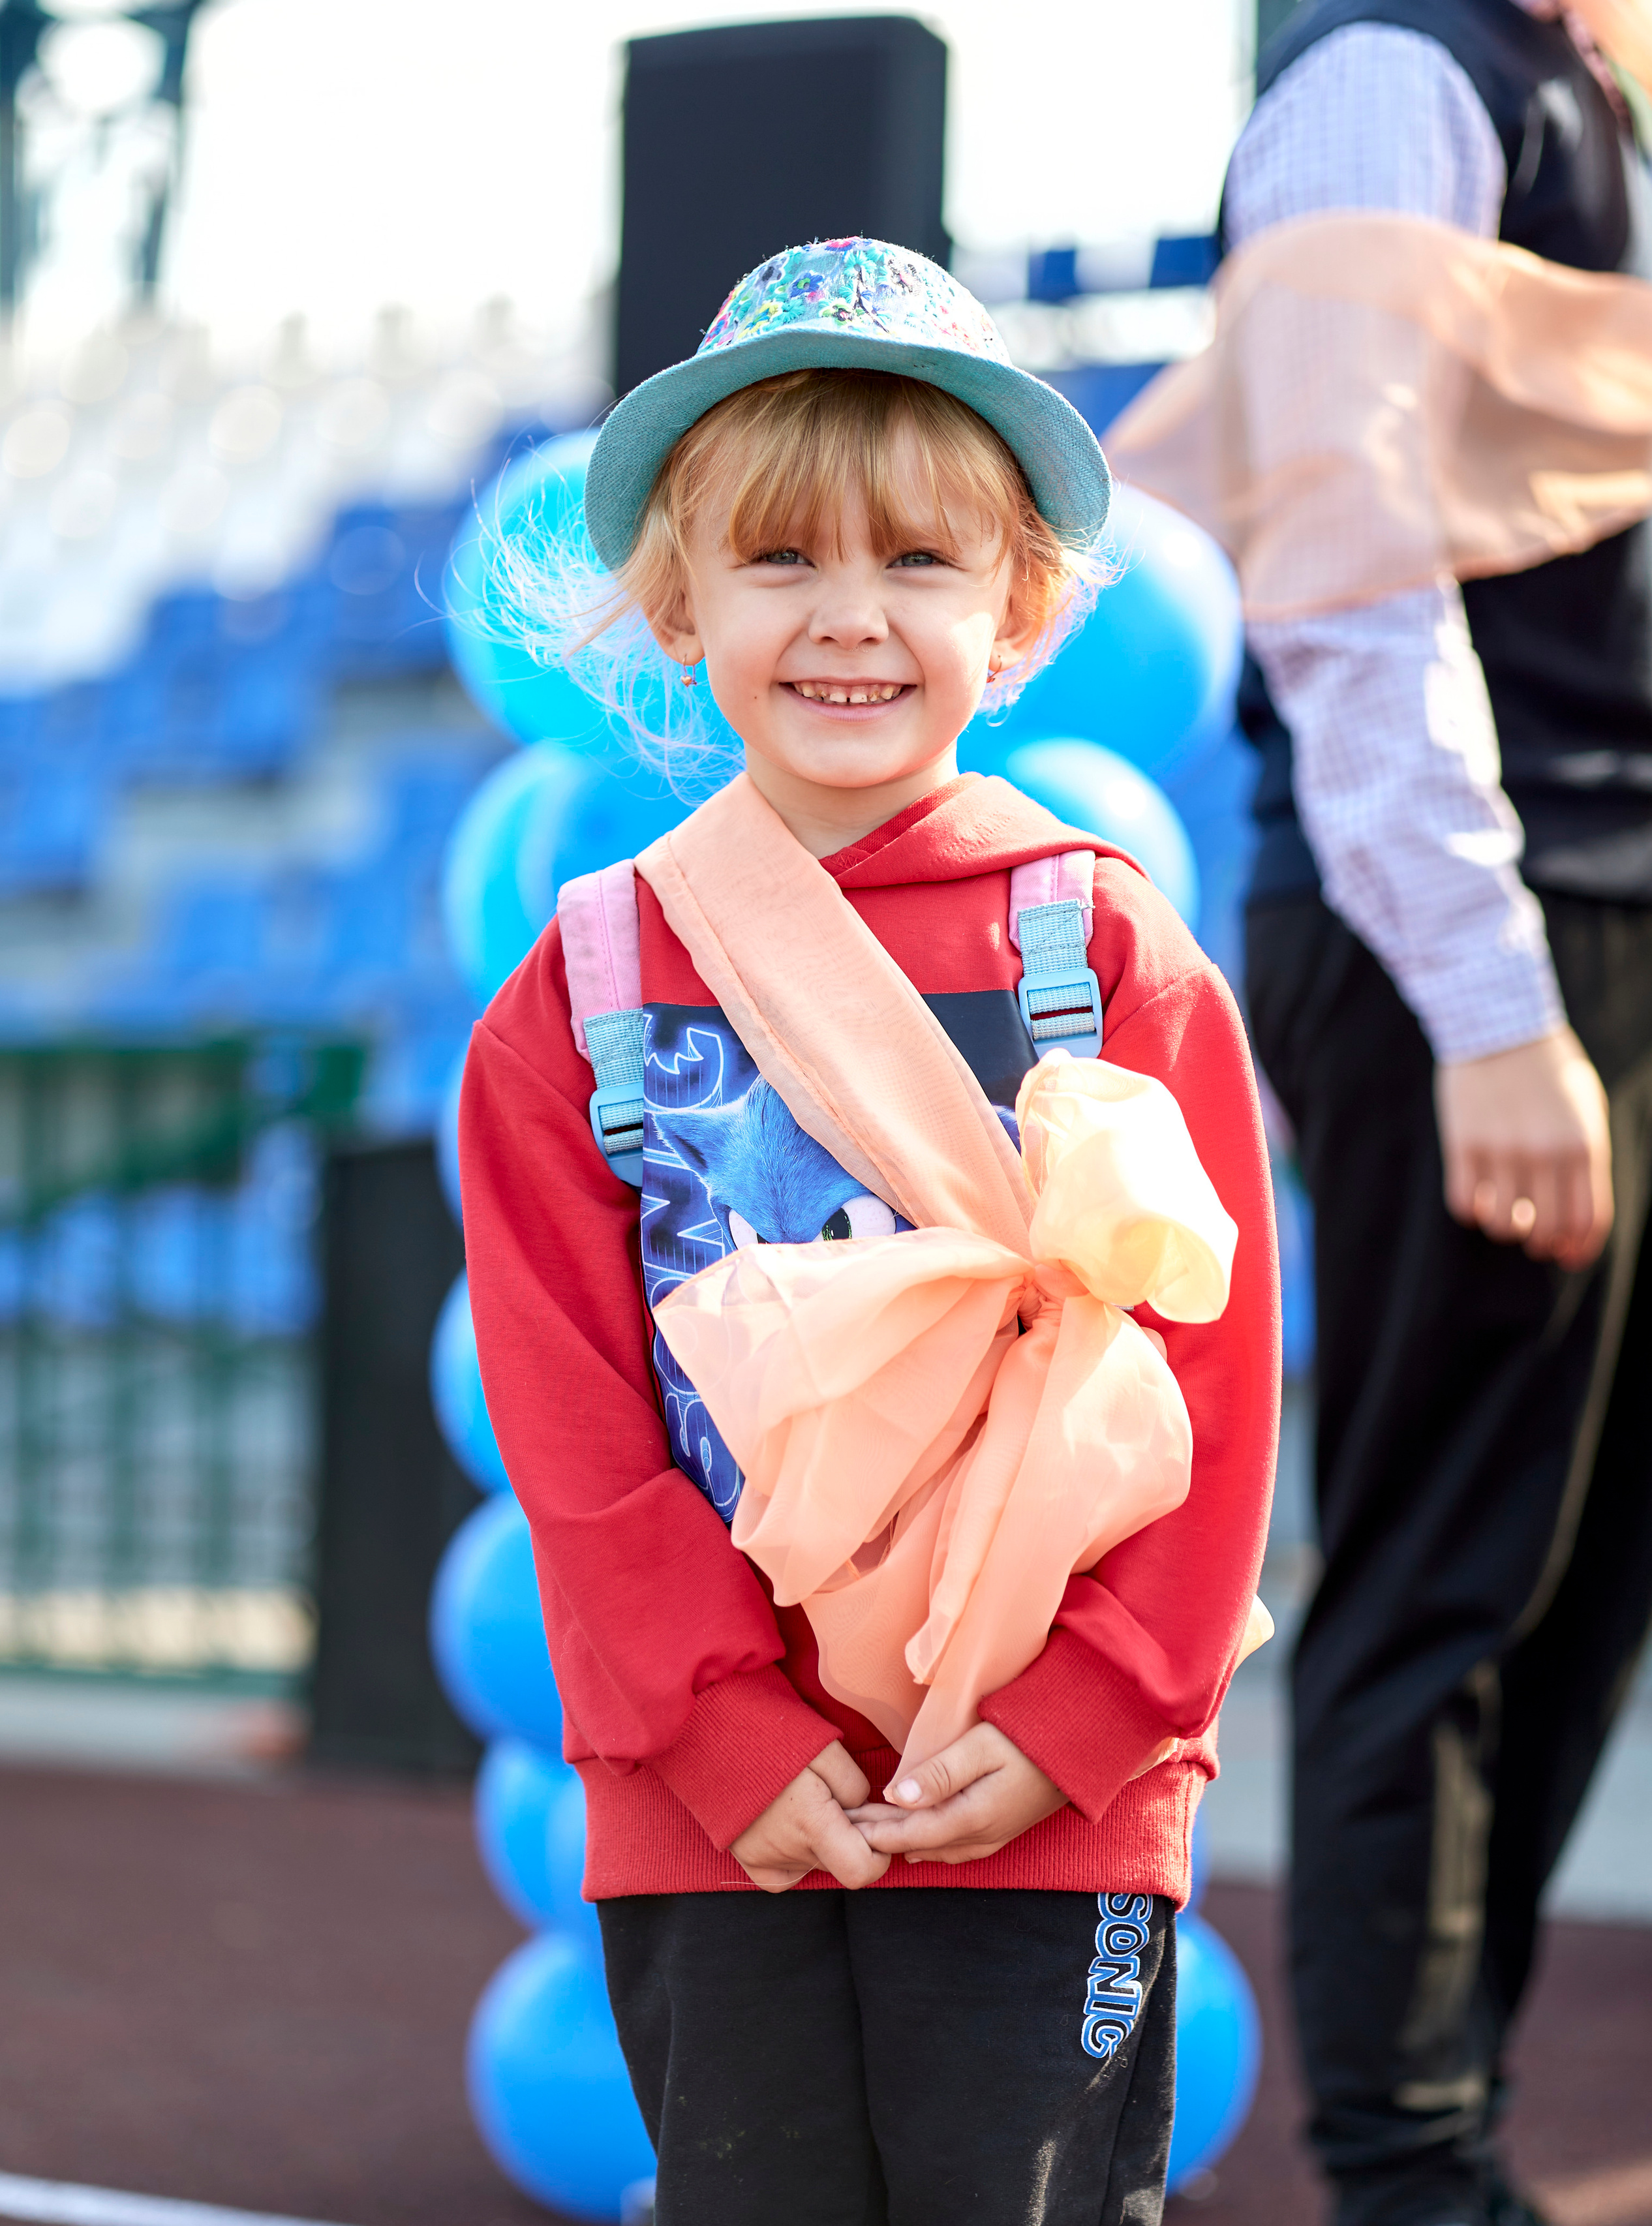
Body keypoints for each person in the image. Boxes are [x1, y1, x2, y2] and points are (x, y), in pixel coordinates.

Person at [459, 237, 1280, 2225]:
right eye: (783, 564)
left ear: (1018, 608)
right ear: (676, 601)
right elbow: (572, 1433)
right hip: (719, 1802)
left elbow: (1207, 1386)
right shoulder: (577, 995)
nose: (853, 622)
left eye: (919, 563)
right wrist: (725, 1731)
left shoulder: (1111, 952)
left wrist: (1090, 1715)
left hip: (1050, 1795)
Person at [1214, 8, 1652, 2225]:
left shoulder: (1603, 80)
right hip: (1475, 937)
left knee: (1587, 1579)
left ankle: (1445, 2135)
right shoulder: (1402, 68)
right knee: (1452, 1571)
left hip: (1620, 914)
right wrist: (1489, 1002)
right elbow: (1344, 559)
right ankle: (1410, 2175)